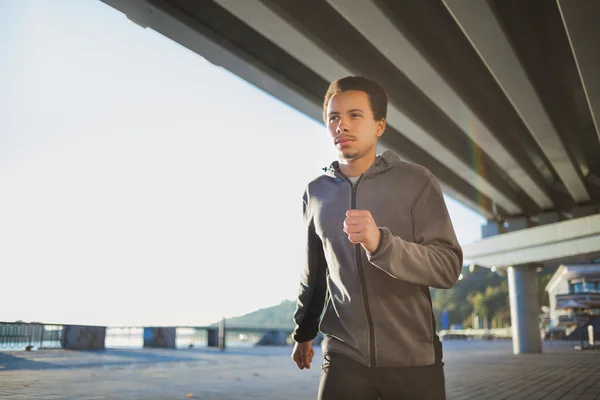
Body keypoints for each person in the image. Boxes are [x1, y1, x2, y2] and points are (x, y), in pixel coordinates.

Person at [291, 76, 463, 400]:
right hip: (344, 357)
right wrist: (304, 333)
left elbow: (448, 266)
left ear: (379, 125)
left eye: (355, 115)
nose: (342, 125)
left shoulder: (416, 181)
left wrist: (382, 245)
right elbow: (315, 274)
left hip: (413, 361)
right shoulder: (316, 193)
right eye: (334, 117)